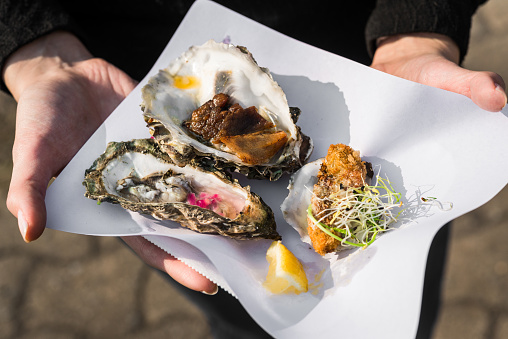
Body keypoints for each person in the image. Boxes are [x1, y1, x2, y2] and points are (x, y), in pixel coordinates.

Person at [1, 0, 506, 338]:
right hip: (118, 58)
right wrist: (36, 46)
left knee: (400, 288)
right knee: (234, 306)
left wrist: (418, 25)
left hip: (362, 50)